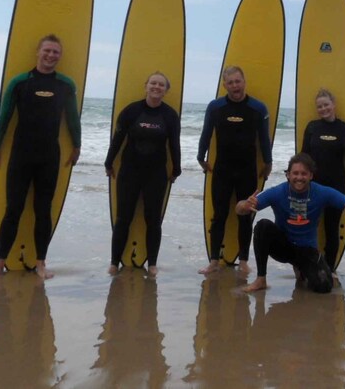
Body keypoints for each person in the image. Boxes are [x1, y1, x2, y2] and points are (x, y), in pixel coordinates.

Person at [0, 34, 81, 280]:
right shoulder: (19, 83)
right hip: (20, 154)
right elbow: (4, 117)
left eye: (55, 52)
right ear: (38, 52)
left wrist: (77, 146)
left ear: (60, 56)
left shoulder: (66, 85)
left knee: (43, 210)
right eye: (47, 50)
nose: (50, 55)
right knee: (13, 209)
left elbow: (72, 119)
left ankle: (41, 264)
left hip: (49, 156)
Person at [238, 153, 345, 293]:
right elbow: (240, 209)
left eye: (304, 174)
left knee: (324, 287)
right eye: (295, 173)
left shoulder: (322, 192)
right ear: (288, 175)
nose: (299, 177)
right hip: (283, 247)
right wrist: (244, 205)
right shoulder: (277, 192)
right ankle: (261, 279)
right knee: (262, 226)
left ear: (311, 175)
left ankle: (303, 269)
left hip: (307, 249)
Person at [103, 71, 182, 277]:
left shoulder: (170, 115)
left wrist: (177, 169)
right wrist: (108, 162)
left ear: (166, 91)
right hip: (129, 171)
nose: (156, 87)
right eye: (153, 83)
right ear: (146, 85)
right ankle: (114, 263)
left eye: (161, 85)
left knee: (153, 220)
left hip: (156, 174)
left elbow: (174, 144)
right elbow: (118, 138)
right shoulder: (131, 111)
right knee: (123, 218)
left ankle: (152, 264)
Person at [197, 66, 273, 274]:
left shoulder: (258, 108)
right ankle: (213, 261)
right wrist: (200, 156)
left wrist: (268, 163)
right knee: (219, 215)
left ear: (244, 81)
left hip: (247, 170)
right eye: (230, 82)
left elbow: (264, 140)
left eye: (238, 81)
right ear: (224, 85)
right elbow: (206, 134)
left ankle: (244, 261)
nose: (235, 86)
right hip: (222, 170)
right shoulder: (215, 107)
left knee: (245, 215)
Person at [300, 89, 345, 271]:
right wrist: (296, 179)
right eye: (319, 106)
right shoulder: (312, 127)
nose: (323, 108)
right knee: (308, 226)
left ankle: (330, 268)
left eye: (326, 105)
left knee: (332, 229)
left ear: (333, 105)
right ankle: (307, 265)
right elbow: (303, 156)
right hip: (313, 186)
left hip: (336, 186)